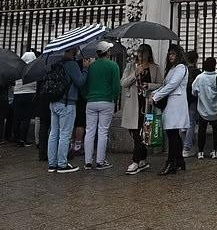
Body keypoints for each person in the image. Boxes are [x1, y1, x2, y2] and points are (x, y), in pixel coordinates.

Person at [120, 43, 163, 175]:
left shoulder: (155, 68)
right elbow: (123, 83)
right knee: (134, 132)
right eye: (139, 52)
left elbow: (161, 84)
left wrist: (148, 85)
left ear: (148, 54)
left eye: (143, 52)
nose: (140, 55)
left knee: (142, 133)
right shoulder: (130, 66)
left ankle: (135, 161)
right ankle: (143, 158)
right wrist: (135, 74)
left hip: (147, 104)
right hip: (133, 103)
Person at [150, 44, 189, 175]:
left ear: (178, 55)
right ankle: (179, 161)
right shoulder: (173, 68)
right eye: (169, 54)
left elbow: (172, 85)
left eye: (173, 54)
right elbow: (165, 85)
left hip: (176, 103)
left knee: (172, 134)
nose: (170, 56)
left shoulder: (181, 67)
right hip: (171, 103)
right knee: (173, 134)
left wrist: (156, 96)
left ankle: (171, 162)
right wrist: (154, 93)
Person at [48, 47, 88, 174]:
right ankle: (62, 164)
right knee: (65, 134)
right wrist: (86, 69)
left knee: (54, 133)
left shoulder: (58, 63)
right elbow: (80, 82)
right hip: (67, 103)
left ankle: (52, 163)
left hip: (54, 101)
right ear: (73, 51)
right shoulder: (71, 64)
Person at [82, 41, 121, 170]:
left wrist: (87, 96)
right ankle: (100, 161)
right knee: (103, 131)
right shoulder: (113, 65)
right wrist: (114, 98)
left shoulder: (91, 66)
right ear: (107, 52)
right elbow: (116, 85)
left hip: (91, 101)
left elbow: (85, 84)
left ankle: (87, 161)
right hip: (106, 100)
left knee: (90, 131)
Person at [192, 57, 217, 159]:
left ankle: (200, 152)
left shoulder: (200, 78)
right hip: (216, 110)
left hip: (203, 109)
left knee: (201, 131)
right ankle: (215, 151)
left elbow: (194, 91)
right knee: (216, 131)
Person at [11, 52, 38, 147]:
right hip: (30, 95)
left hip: (17, 95)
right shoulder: (34, 69)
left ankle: (16, 138)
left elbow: (13, 82)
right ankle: (23, 139)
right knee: (26, 119)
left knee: (17, 118)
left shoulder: (18, 69)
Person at [182, 49, 200, 158]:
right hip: (193, 99)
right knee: (191, 123)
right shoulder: (197, 72)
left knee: (184, 123)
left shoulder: (183, 70)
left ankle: (188, 145)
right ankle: (187, 147)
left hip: (183, 98)